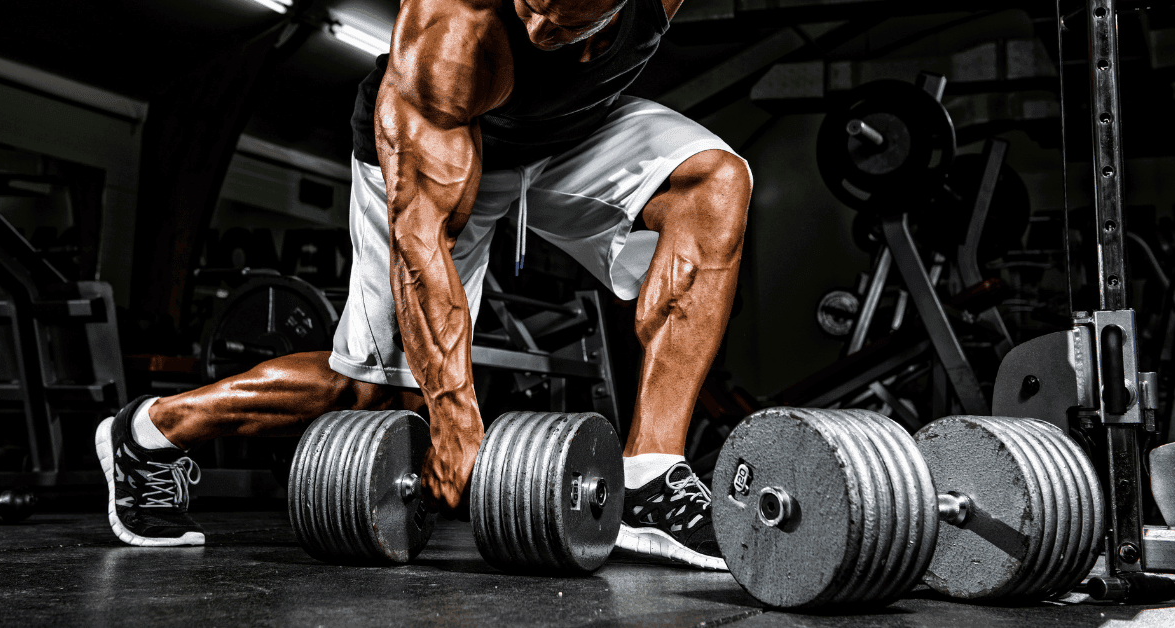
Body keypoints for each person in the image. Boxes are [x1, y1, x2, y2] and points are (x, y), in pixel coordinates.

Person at [96, 0, 750, 570]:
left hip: (567, 134)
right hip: (434, 155)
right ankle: (149, 432)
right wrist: (453, 408)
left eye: (563, 18)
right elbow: (420, 242)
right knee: (373, 394)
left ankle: (649, 477)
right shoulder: (451, 33)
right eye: (531, 4)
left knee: (715, 183)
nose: (538, 22)